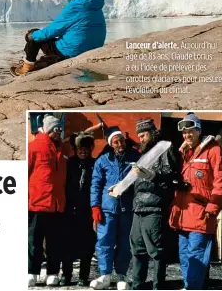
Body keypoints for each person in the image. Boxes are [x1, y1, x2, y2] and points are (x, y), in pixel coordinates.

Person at [168, 113, 222, 290]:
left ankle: (193, 287)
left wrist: (212, 207)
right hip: (183, 214)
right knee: (185, 256)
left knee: (197, 255)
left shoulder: (213, 150)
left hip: (201, 214)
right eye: (184, 133)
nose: (187, 136)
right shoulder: (184, 153)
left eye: (190, 131)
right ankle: (189, 286)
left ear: (199, 130)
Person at [11, 0, 106, 76]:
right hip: (91, 51)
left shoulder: (75, 7)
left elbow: (52, 31)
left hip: (70, 52)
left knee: (35, 35)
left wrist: (30, 35)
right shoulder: (96, 7)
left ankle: (26, 68)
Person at [90, 127, 141, 290]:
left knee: (125, 243)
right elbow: (96, 185)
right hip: (107, 208)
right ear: (111, 144)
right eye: (116, 141)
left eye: (121, 140)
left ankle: (121, 275)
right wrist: (95, 207)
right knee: (104, 241)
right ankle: (105, 274)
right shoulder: (103, 160)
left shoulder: (135, 157)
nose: (119, 144)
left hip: (127, 208)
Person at [130, 118, 178, 290]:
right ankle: (138, 286)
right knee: (137, 250)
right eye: (139, 136)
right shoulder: (142, 154)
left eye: (143, 135)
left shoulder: (164, 149)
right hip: (138, 208)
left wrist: (152, 175)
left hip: (155, 207)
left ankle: (158, 286)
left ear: (152, 133)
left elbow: (170, 173)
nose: (141, 139)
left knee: (156, 251)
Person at [28, 115, 67, 287]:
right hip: (37, 204)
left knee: (55, 243)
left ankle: (53, 273)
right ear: (49, 129)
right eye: (57, 129)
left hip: (57, 205)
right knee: (34, 242)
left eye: (60, 129)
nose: (59, 132)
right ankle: (32, 272)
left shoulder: (62, 150)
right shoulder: (34, 147)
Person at [61, 132, 96, 287]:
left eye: (86, 148)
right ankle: (66, 275)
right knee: (67, 244)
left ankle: (83, 276)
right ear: (75, 149)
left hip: (87, 212)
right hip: (69, 210)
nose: (83, 151)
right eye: (80, 148)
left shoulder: (95, 164)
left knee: (87, 246)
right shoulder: (69, 164)